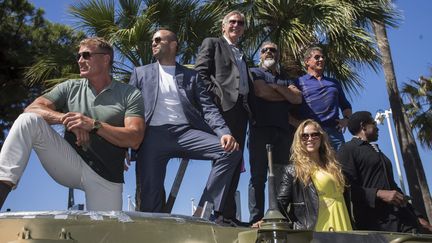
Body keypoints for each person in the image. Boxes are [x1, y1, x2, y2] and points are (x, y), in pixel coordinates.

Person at [0, 37, 145, 211]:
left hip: (107, 177)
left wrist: (93, 125)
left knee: (105, 236)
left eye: (86, 55)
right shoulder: (70, 87)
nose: (80, 60)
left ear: (106, 58)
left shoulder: (130, 94)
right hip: (71, 163)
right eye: (78, 56)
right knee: (28, 120)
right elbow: (32, 109)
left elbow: (135, 137)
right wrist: (67, 120)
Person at [129, 29, 241, 219]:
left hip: (185, 133)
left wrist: (224, 133)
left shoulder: (192, 76)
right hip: (152, 137)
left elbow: (208, 108)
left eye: (158, 40)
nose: (153, 43)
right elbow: (128, 109)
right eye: (152, 41)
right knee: (150, 201)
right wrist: (125, 144)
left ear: (173, 45)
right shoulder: (140, 73)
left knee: (230, 151)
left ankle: (203, 209)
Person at [195, 10, 253, 226]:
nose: (236, 25)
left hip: (241, 111)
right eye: (232, 22)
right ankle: (217, 214)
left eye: (240, 22)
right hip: (222, 110)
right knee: (225, 158)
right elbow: (200, 73)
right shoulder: (213, 43)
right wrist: (216, 95)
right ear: (223, 26)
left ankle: (227, 214)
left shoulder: (241, 53)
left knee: (235, 160)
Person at [337, 111, 432, 233]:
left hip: (401, 219)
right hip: (376, 224)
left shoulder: (377, 152)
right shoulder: (348, 149)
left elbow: (393, 187)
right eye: (374, 123)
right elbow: (346, 188)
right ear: (363, 126)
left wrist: (417, 216)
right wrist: (378, 193)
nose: (377, 128)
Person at [248, 41, 302, 224]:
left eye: (273, 50)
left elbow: (296, 98)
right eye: (265, 50)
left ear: (278, 55)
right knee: (258, 177)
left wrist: (276, 88)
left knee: (284, 176)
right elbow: (261, 92)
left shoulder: (286, 78)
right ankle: (256, 218)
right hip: (260, 130)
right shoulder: (255, 72)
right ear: (260, 55)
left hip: (283, 132)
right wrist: (284, 94)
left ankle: (281, 217)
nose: (269, 52)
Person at [277, 119, 352, 231]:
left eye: (314, 135)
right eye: (304, 136)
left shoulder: (334, 166)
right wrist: (267, 220)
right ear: (299, 140)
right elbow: (281, 202)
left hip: (343, 221)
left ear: (321, 138)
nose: (310, 139)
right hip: (319, 227)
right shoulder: (294, 170)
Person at [292, 46, 352, 151]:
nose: (321, 59)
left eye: (323, 57)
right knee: (313, 166)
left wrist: (346, 120)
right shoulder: (298, 82)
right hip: (311, 134)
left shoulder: (333, 82)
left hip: (334, 132)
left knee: (340, 165)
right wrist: (297, 124)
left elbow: (345, 105)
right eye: (317, 57)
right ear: (307, 62)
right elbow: (288, 107)